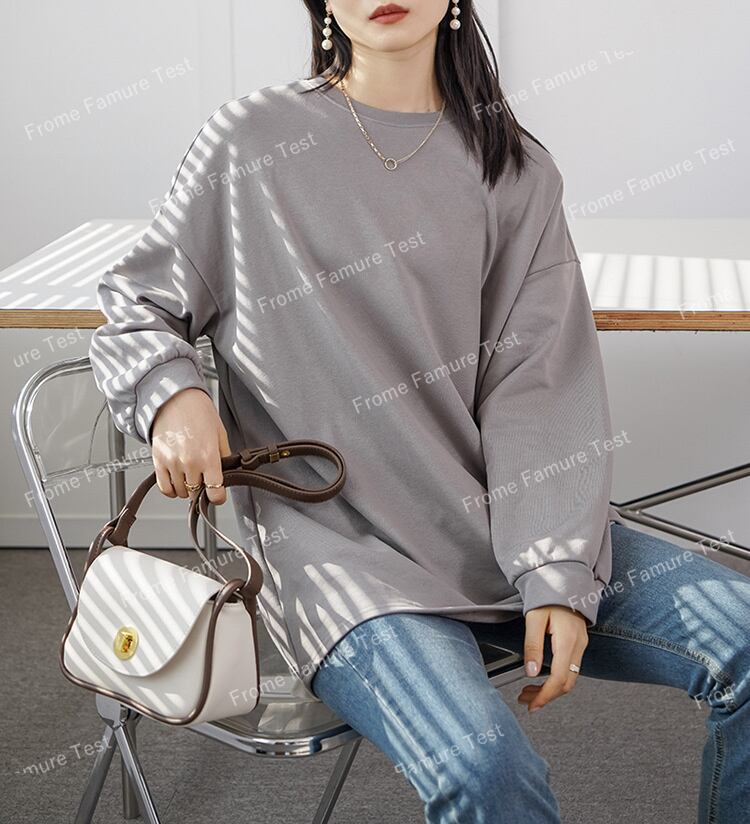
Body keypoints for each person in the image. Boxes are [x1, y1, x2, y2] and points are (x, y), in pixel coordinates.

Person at [89, 2, 750, 821]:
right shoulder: (251, 141)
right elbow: (138, 304)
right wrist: (174, 395)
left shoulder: (514, 171)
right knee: (486, 768)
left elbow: (537, 390)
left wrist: (554, 570)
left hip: (502, 520)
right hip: (341, 560)